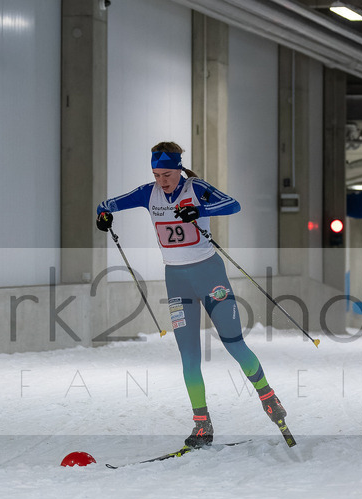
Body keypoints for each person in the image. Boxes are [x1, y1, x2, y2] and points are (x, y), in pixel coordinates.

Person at [96, 142, 287, 448]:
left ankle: (268, 396)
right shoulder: (149, 193)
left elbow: (233, 205)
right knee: (188, 356)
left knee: (233, 343)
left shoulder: (195, 187)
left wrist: (199, 209)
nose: (162, 180)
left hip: (209, 275)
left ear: (179, 168)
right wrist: (103, 216)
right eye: (157, 174)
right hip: (177, 280)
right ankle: (202, 424)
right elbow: (106, 204)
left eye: (168, 174)